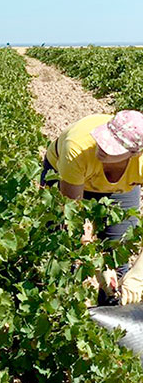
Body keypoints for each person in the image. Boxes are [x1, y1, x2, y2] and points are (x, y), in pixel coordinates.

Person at [41, 110, 143, 304]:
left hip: (119, 190)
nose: (103, 147)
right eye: (104, 139)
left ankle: (112, 317)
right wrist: (95, 263)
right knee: (64, 250)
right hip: (70, 178)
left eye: (113, 147)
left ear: (135, 153)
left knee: (118, 258)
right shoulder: (77, 148)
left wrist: (138, 275)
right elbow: (74, 216)